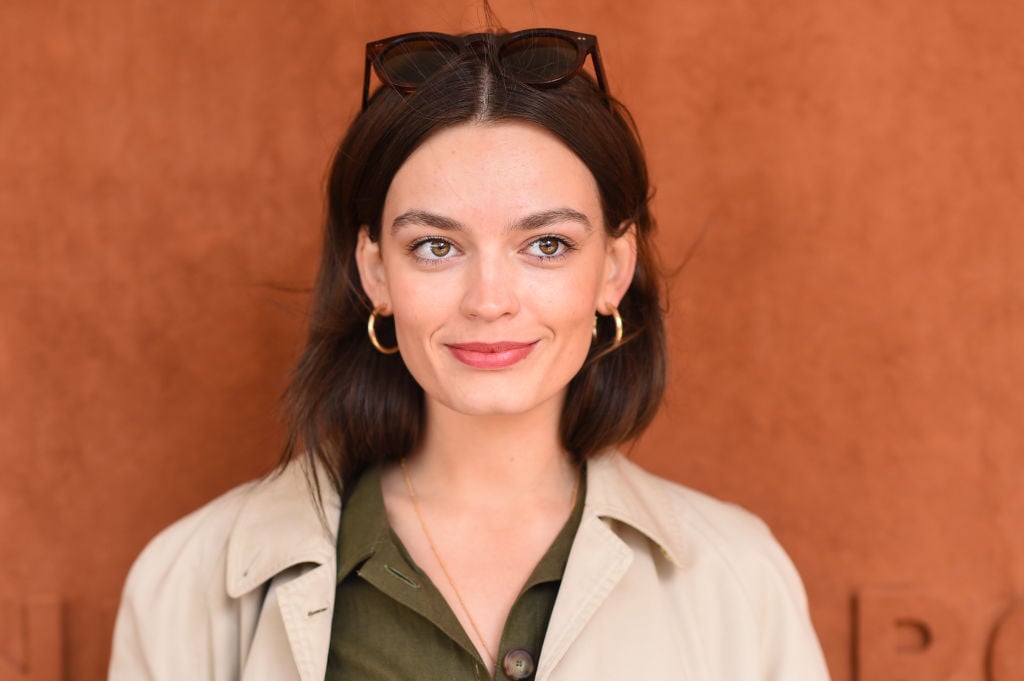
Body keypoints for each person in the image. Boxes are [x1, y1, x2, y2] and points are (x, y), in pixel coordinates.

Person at [108, 27, 831, 681]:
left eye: (546, 245)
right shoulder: (188, 582)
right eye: (436, 246)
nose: (489, 299)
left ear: (613, 270)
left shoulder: (740, 576)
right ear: (375, 272)